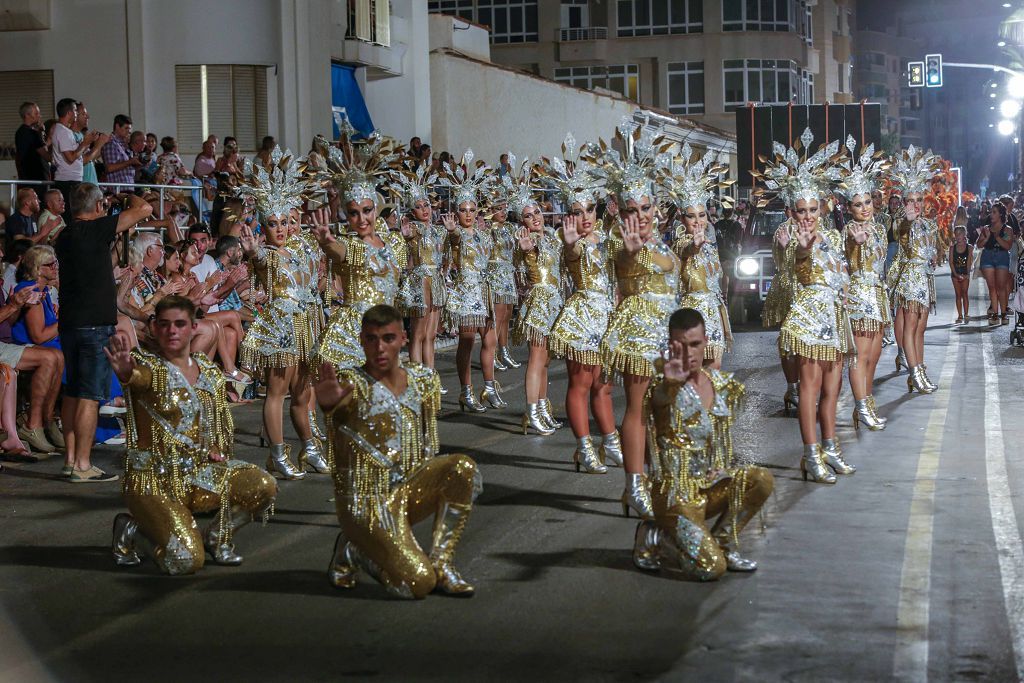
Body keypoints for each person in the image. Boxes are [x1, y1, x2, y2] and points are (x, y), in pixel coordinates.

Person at [316, 304, 480, 598]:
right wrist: (330, 405)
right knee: (417, 583)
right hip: (365, 502)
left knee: (461, 468)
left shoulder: (422, 379)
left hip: (406, 489)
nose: (380, 348)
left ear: (403, 339)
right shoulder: (352, 383)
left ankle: (442, 564)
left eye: (388, 338)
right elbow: (336, 409)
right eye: (371, 339)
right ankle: (354, 549)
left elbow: (429, 443)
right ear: (361, 341)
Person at [106, 296, 277, 574]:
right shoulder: (149, 366)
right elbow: (136, 377)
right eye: (164, 324)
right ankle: (133, 529)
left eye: (179, 324)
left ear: (194, 327)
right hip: (153, 480)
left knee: (262, 486)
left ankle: (217, 536)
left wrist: (215, 450)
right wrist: (126, 370)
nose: (172, 331)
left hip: (197, 473)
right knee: (185, 561)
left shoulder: (209, 370)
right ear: (154, 328)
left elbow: (218, 422)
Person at [632, 308, 774, 579]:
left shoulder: (720, 384)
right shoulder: (663, 384)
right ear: (671, 345)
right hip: (676, 497)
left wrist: (719, 469)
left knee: (760, 479)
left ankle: (722, 542)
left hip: (708, 488)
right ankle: (656, 535)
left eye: (695, 344)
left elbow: (718, 439)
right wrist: (670, 386)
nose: (690, 353)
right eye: (681, 346)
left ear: (706, 341)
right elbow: (659, 402)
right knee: (712, 569)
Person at [756, 129, 854, 485]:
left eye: (813, 209)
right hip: (807, 322)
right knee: (809, 391)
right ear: (791, 211)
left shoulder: (834, 235)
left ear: (822, 208)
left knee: (833, 390)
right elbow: (793, 264)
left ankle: (831, 449)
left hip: (835, 318)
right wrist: (801, 248)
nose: (808, 216)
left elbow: (844, 273)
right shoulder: (789, 238)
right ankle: (810, 455)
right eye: (801, 211)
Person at [592, 121, 678, 514]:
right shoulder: (617, 238)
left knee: (666, 408)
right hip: (638, 329)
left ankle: (657, 476)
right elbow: (622, 261)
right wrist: (632, 252)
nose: (640, 216)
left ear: (655, 208)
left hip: (669, 330)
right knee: (638, 407)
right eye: (631, 209)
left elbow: (672, 268)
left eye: (645, 208)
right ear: (620, 210)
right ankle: (634, 484)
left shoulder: (661, 237)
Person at [236, 149, 325, 478]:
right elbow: (257, 258)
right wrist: (252, 250)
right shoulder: (267, 255)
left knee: (304, 391)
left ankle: (310, 448)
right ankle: (276, 453)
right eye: (273, 224)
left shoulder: (299, 250)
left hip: (305, 329)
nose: (281, 229)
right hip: (280, 329)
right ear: (264, 225)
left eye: (285, 222)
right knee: (277, 392)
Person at [56, 182, 153, 483]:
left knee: (73, 392)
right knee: (89, 396)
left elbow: (97, 265)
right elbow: (144, 208)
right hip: (94, 326)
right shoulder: (95, 230)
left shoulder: (65, 236)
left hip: (70, 324)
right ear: (98, 207)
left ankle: (71, 460)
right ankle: (84, 464)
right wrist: (125, 197)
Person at [543, 134, 622, 472]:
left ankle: (612, 441)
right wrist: (571, 242)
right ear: (570, 214)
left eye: (590, 209)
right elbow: (571, 254)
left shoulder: (607, 237)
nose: (586, 216)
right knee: (582, 383)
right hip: (581, 318)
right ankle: (584, 448)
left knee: (603, 384)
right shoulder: (571, 241)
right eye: (578, 211)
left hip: (607, 317)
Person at [440, 150, 503, 413]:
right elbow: (454, 244)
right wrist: (453, 233)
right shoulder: (456, 235)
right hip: (465, 293)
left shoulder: (483, 235)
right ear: (457, 212)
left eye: (471, 210)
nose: (467, 214)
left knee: (490, 341)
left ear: (477, 211)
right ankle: (465, 391)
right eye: (463, 210)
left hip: (483, 292)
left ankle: (489, 387)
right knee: (466, 342)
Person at [837, 136, 890, 431]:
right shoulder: (849, 230)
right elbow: (850, 249)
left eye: (867, 202)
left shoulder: (880, 228)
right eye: (858, 205)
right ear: (849, 208)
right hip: (858, 296)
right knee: (858, 355)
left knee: (874, 354)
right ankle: (861, 406)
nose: (864, 209)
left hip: (878, 295)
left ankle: (866, 405)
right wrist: (855, 242)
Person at [507, 163, 563, 436]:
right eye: (528, 216)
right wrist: (528, 253)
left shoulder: (552, 236)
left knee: (546, 360)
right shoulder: (524, 242)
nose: (535, 218)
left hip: (554, 303)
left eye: (537, 212)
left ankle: (543, 407)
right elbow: (528, 275)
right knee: (536, 358)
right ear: (522, 222)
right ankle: (531, 412)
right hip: (539, 302)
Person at [666, 146, 733, 368]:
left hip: (713, 312)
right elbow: (686, 251)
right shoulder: (681, 242)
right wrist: (693, 247)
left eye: (702, 215)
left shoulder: (709, 246)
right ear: (682, 218)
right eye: (691, 216)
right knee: (693, 372)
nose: (698, 221)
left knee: (713, 371)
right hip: (692, 315)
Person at [887, 147, 942, 392]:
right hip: (910, 279)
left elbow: (931, 251)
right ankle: (915, 373)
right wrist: (908, 220)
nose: (915, 205)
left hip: (925, 280)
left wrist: (932, 259)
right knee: (910, 326)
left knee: (921, 328)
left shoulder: (929, 225)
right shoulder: (902, 222)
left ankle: (918, 369)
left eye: (919, 200)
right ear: (905, 202)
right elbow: (902, 235)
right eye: (911, 201)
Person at [393, 161, 446, 373]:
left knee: (431, 335)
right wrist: (404, 234)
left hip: (436, 281)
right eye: (419, 206)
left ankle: (430, 374)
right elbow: (406, 237)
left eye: (426, 205)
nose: (424, 210)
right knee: (418, 334)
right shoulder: (413, 228)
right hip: (420, 282)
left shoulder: (438, 230)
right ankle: (417, 375)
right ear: (412, 211)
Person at [486, 191, 521, 373]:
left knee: (507, 314)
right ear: (490, 210)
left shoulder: (509, 227)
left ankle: (504, 351)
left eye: (505, 209)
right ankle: (490, 355)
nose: (503, 212)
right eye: (499, 209)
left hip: (508, 272)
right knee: (497, 316)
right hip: (495, 273)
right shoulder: (488, 229)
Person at [51, 99, 100, 207]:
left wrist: (88, 142)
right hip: (67, 181)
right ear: (69, 113)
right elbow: (70, 157)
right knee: (70, 215)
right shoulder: (62, 132)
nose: (77, 114)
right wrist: (84, 143)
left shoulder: (65, 131)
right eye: (75, 111)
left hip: (73, 180)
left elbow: (76, 154)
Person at [976, 202, 1014, 325]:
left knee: (1001, 287)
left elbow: (1008, 246)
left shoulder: (1008, 229)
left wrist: (997, 237)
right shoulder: (986, 229)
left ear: (1000, 214)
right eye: (991, 212)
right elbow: (979, 244)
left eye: (994, 212)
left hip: (1002, 256)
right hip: (987, 256)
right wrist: (986, 238)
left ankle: (1003, 314)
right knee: (991, 287)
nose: (991, 215)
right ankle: (994, 315)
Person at [100, 114, 141, 190]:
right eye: (126, 128)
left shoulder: (123, 145)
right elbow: (109, 168)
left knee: (149, 194)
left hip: (128, 188)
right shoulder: (111, 144)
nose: (129, 131)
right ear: (117, 126)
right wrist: (130, 162)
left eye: (130, 129)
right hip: (119, 190)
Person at [14, 101, 50, 186]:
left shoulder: (20, 131)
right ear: (27, 115)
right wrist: (49, 139)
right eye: (36, 113)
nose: (39, 116)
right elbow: (46, 155)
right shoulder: (32, 133)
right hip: (36, 179)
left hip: (26, 178)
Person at [950, 226, 973, 324]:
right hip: (955, 274)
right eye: (956, 234)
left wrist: (967, 274)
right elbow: (951, 262)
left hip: (965, 273)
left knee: (965, 294)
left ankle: (966, 313)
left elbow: (969, 262)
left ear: (964, 235)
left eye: (960, 233)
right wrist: (955, 274)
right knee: (958, 295)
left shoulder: (969, 247)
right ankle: (960, 315)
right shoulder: (952, 248)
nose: (958, 236)